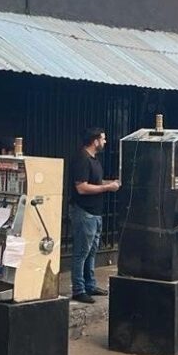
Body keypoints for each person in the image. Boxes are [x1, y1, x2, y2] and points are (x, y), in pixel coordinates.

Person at [70, 127, 120, 304]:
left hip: (95, 212)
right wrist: (107, 187)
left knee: (92, 252)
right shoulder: (82, 159)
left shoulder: (94, 160)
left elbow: (95, 183)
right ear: (95, 140)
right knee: (82, 252)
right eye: (103, 139)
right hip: (84, 211)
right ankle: (78, 289)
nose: (105, 142)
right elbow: (81, 187)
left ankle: (89, 285)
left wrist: (111, 183)